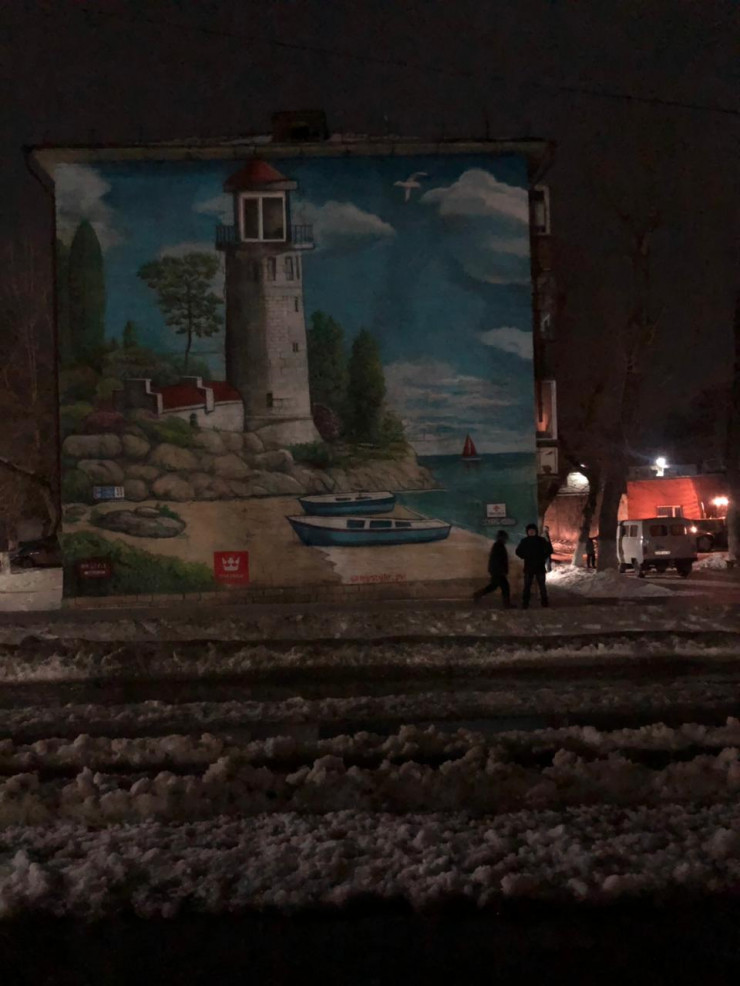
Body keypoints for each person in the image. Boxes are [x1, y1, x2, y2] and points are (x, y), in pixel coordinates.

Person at [515, 523, 552, 609]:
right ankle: (525, 603)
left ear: (536, 531)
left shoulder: (541, 540)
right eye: (530, 531)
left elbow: (549, 550)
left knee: (542, 585)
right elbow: (518, 551)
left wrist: (543, 557)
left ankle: (544, 602)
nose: (531, 532)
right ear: (527, 532)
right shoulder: (525, 541)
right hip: (529, 567)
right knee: (527, 586)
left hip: (540, 567)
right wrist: (525, 556)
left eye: (533, 530)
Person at [473, 530, 511, 607]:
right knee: (504, 586)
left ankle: (478, 594)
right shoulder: (499, 546)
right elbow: (500, 560)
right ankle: (506, 604)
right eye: (505, 538)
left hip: (496, 570)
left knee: (494, 586)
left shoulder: (497, 545)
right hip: (498, 571)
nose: (506, 540)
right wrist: (502, 570)